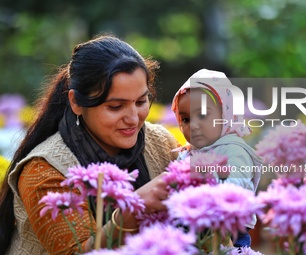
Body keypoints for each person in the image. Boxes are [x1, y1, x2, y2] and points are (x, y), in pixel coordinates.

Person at [0, 34, 179, 255]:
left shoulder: (160, 143)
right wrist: (135, 208)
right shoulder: (44, 170)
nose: (133, 118)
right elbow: (77, 251)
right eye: (116, 107)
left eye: (141, 101)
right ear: (76, 102)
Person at [171, 68, 262, 248]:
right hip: (192, 226)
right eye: (186, 119)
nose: (194, 126)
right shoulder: (189, 152)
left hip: (229, 233)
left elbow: (233, 187)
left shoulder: (235, 150)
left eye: (203, 115)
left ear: (225, 114)